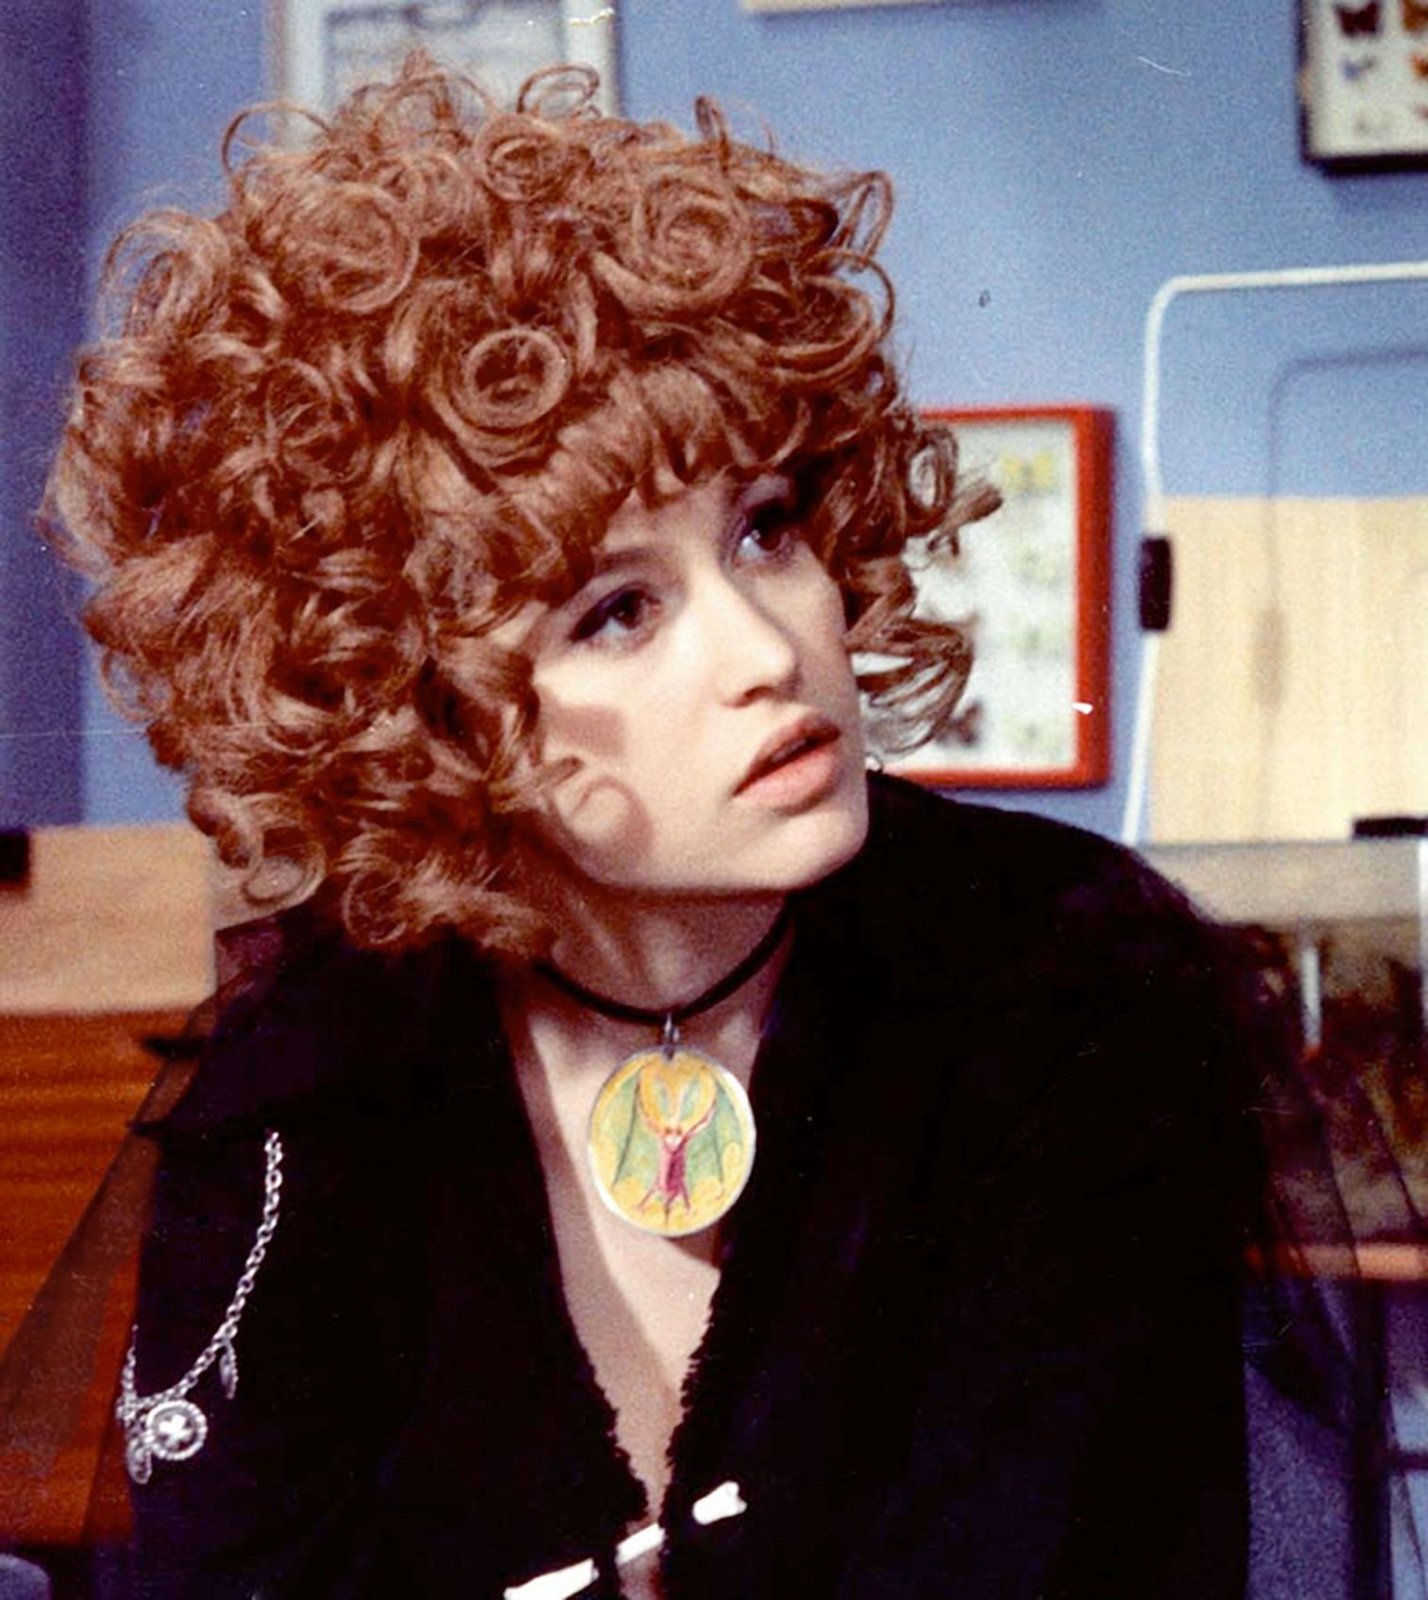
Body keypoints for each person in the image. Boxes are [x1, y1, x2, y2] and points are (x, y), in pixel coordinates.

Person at [31, 56, 1255, 1599]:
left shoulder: (1065, 987)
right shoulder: (309, 1092)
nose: (766, 650)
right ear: (422, 702)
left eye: (766, 528)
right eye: (617, 610)